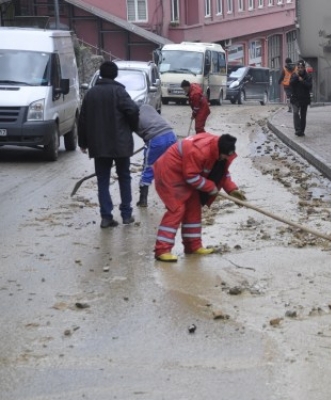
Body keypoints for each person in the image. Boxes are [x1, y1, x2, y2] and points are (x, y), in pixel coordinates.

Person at [152, 133, 246, 262]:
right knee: (177, 209)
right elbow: (191, 176)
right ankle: (162, 250)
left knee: (193, 207)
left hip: (187, 173)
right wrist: (210, 187)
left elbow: (221, 172)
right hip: (170, 173)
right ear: (220, 151)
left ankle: (193, 246)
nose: (226, 158)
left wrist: (231, 189)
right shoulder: (199, 151)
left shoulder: (219, 151)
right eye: (225, 156)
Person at [78, 61, 140, 228]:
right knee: (124, 177)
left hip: (99, 145)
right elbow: (133, 110)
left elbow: (82, 120)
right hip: (121, 144)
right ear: (115, 74)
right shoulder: (120, 92)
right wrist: (131, 127)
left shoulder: (91, 94)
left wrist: (82, 142)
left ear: (100, 74)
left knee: (103, 181)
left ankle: (106, 217)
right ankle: (126, 215)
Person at [135, 104, 178, 208]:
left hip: (156, 139)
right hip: (171, 135)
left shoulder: (132, 116)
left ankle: (143, 200)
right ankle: (172, 202)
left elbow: (138, 131)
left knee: (148, 168)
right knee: (169, 169)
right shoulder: (148, 106)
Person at [289, 60, 313, 137]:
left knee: (303, 116)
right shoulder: (294, 75)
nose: (300, 69)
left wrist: (302, 81)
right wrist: (296, 78)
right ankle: (298, 129)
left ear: (304, 68)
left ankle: (302, 131)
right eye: (298, 67)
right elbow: (290, 83)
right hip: (295, 98)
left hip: (304, 99)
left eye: (301, 67)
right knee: (295, 113)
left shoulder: (308, 76)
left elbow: (309, 86)